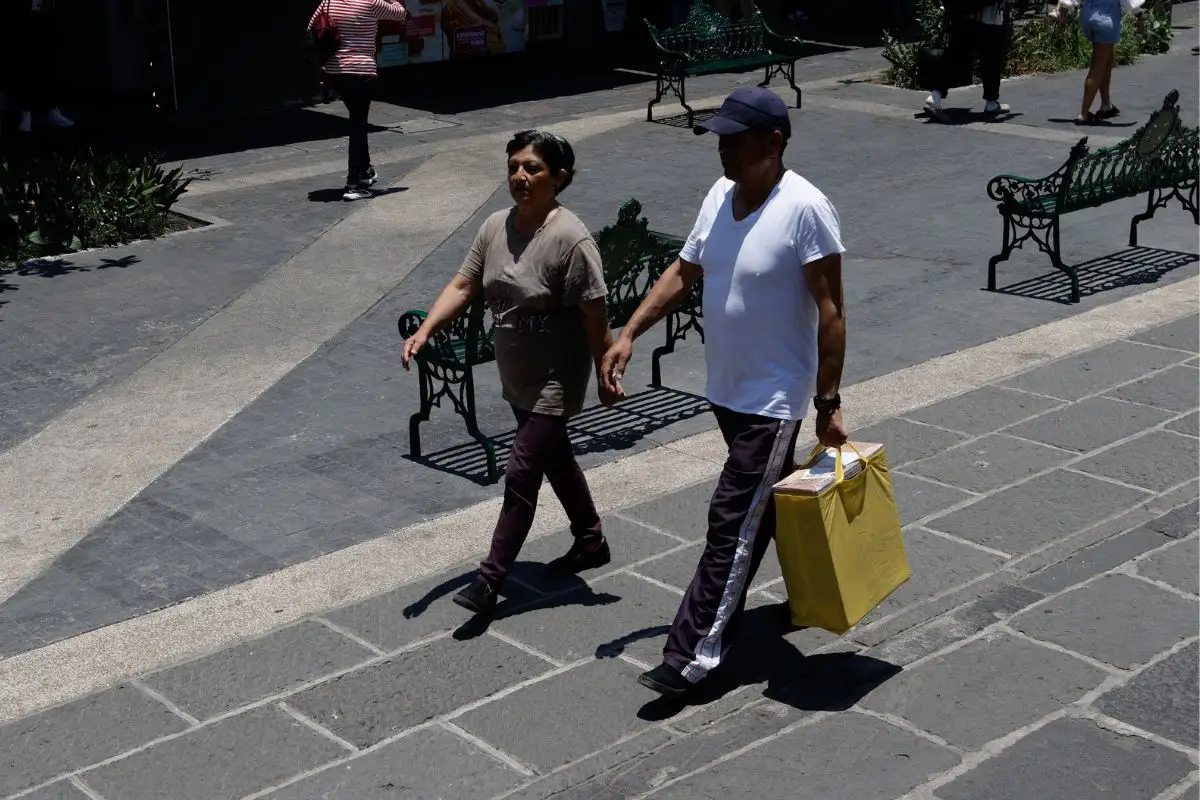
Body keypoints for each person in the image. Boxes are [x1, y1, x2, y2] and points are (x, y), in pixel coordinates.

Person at [600, 87, 847, 698]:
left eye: (735, 140)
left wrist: (828, 404)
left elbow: (832, 309)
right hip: (726, 392)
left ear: (774, 142)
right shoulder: (719, 196)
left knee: (731, 521)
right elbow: (685, 271)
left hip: (774, 399)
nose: (723, 150)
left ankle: (693, 657)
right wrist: (629, 331)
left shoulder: (806, 208)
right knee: (762, 510)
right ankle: (813, 592)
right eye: (720, 139)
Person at [402, 130, 623, 617]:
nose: (520, 177)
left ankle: (490, 578)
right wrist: (426, 329)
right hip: (516, 371)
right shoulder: (495, 226)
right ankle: (591, 541)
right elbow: (464, 284)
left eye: (533, 168)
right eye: (514, 167)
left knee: (522, 470)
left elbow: (594, 314)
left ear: (559, 177)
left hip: (555, 376)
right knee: (556, 459)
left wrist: (607, 370)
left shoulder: (570, 238)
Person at [308, 0, 409, 200]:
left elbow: (311, 29)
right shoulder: (371, 2)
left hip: (336, 73)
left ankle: (365, 172)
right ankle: (354, 185)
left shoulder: (329, 2)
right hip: (362, 71)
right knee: (358, 126)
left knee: (357, 120)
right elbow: (401, 14)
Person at [924, 0, 1012, 121]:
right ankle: (991, 103)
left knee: (954, 58)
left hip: (963, 16)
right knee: (991, 60)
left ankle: (935, 96)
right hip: (989, 19)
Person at [7, 0, 74, 133]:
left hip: (43, 12)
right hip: (27, 13)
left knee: (49, 56)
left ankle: (49, 109)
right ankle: (26, 113)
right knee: (26, 58)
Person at [1056, 0, 1122, 124]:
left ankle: (1106, 104)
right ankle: (1084, 114)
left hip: (1088, 14)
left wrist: (1063, 12)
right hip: (1106, 16)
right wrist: (1139, 14)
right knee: (1098, 65)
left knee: (1106, 58)